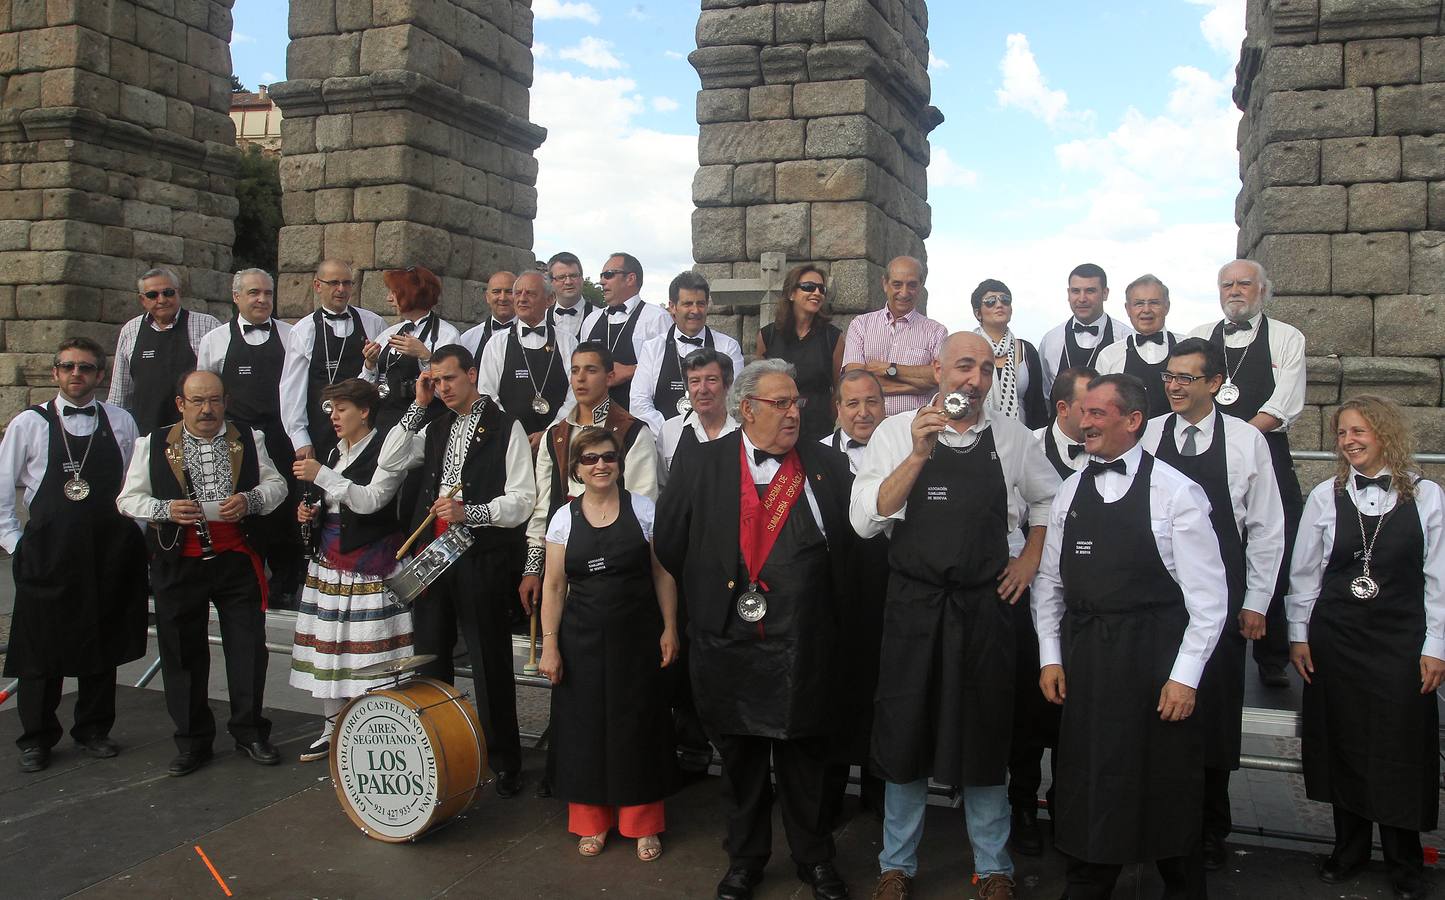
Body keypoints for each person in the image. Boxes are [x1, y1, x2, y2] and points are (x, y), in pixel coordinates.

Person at [850, 332, 1058, 900]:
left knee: (985, 733)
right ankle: (897, 863)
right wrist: (919, 453)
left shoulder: (1012, 438)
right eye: (965, 366)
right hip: (915, 607)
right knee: (906, 733)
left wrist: (1030, 558)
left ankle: (994, 867)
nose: (975, 379)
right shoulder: (896, 432)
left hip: (984, 607)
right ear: (937, 370)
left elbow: (1049, 502)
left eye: (986, 369)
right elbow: (866, 520)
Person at [656, 359, 855, 900]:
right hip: (729, 641)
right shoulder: (701, 463)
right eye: (780, 404)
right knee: (740, 762)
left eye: (797, 402)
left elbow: (850, 547)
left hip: (803, 644)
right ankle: (744, 860)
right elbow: (671, 542)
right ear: (747, 410)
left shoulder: (827, 465)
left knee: (804, 762)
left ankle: (814, 859)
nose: (793, 413)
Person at [1032, 373, 1227, 900]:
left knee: (1166, 784)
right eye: (1081, 412)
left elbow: (1208, 601)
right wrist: (1051, 656)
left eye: (1097, 413)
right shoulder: (1069, 490)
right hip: (1089, 661)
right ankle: (1088, 884)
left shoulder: (1177, 493)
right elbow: (1049, 582)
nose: (1084, 421)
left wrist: (1184, 679)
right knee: (1089, 780)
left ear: (1132, 421)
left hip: (1154, 662)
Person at [1287, 395, 1443, 900]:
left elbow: (1439, 579)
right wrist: (1298, 635)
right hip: (1338, 638)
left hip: (1401, 640)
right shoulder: (1324, 497)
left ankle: (1404, 859)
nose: (1349, 441)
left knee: (1401, 746)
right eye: (1342, 433)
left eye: (1359, 431)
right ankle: (1348, 849)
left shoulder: (1427, 497)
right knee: (1343, 742)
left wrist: (1436, 645)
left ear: (1385, 433)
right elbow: (1305, 574)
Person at [1142, 338, 1284, 870]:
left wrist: (1258, 601)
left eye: (1186, 378)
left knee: (1215, 711)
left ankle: (1210, 828)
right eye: (1169, 377)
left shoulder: (1247, 441)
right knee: (1158, 706)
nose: (1174, 386)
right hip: (1158, 598)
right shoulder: (1151, 433)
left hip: (1222, 600)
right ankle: (1158, 818)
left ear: (1215, 383)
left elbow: (1266, 528)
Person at [377, 344, 536, 798]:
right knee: (430, 656)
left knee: (489, 659)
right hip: (432, 554)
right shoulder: (434, 423)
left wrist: (473, 512)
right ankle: (440, 752)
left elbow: (523, 499)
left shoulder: (506, 426)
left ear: (471, 374)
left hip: (481, 555)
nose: (443, 388)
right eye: (435, 380)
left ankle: (504, 760)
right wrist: (417, 405)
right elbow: (388, 462)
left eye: (449, 379)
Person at [116, 370, 289, 777]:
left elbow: (277, 485)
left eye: (214, 400)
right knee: (181, 651)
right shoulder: (153, 443)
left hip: (235, 557)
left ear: (225, 401)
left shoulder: (249, 437)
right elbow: (128, 499)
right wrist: (165, 510)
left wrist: (251, 499)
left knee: (247, 649)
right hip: (179, 559)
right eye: (197, 401)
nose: (207, 409)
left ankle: (249, 731)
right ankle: (192, 739)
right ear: (181, 404)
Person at [0, 338, 148, 773]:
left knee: (100, 642)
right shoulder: (28, 423)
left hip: (107, 552)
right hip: (48, 552)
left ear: (100, 375)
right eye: (68, 367)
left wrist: (132, 535)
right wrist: (15, 542)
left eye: (86, 367)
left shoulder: (120, 421)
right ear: (56, 374)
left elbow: (134, 484)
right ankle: (36, 738)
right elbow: (3, 489)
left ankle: (94, 730)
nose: (76, 374)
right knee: (39, 648)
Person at [538, 427, 680, 862]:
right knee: (584, 732)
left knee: (637, 728)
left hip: (637, 638)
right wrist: (550, 645)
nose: (601, 465)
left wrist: (670, 627)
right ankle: (592, 823)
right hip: (580, 643)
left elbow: (663, 574)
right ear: (577, 469)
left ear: (619, 462)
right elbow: (554, 586)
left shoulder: (644, 510)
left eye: (608, 457)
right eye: (590, 459)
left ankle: (642, 824)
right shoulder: (564, 518)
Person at [1189, 259, 1306, 689]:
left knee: (1275, 541)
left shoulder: (1287, 337)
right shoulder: (1200, 336)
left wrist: (1237, 438)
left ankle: (1273, 655)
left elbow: (1284, 404)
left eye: (1244, 284)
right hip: (1204, 454)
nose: (1234, 290)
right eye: (1227, 284)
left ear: (1262, 290)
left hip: (1265, 452)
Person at [289, 379, 411, 762]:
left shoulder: (384, 446)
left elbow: (371, 500)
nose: (335, 416)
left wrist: (321, 475)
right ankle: (332, 726)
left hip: (369, 563)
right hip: (330, 559)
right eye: (331, 409)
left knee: (366, 648)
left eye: (342, 408)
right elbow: (330, 500)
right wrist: (309, 509)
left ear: (364, 411)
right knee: (330, 644)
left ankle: (374, 727)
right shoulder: (333, 450)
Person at [1007, 366, 1096, 853]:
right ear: (1063, 410)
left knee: (1074, 712)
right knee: (1026, 712)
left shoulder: (1108, 453)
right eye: (1089, 407)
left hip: (1083, 606)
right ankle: (1020, 805)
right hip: (1028, 597)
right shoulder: (1024, 445)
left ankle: (1068, 808)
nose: (1098, 417)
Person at [198, 268, 304, 609]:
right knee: (242, 507)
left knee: (286, 508)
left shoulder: (292, 335)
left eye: (267, 294)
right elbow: (206, 391)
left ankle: (287, 583)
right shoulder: (214, 340)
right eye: (254, 293)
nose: (262, 299)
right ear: (236, 297)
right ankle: (243, 578)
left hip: (283, 434)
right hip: (237, 439)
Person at [819, 370, 887, 822]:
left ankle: (883, 798)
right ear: (837, 409)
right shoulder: (814, 455)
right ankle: (827, 798)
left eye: (872, 402)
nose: (863, 412)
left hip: (889, 588)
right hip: (833, 594)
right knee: (833, 697)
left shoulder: (906, 449)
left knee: (885, 694)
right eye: (853, 404)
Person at [280, 259, 387, 463]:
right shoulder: (303, 330)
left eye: (347, 283)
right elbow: (291, 390)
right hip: (321, 425)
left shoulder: (374, 323)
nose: (341, 289)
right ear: (318, 285)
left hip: (365, 425)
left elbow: (381, 377)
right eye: (334, 283)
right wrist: (299, 438)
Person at [630, 271, 745, 435]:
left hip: (715, 441)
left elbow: (735, 399)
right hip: (664, 446)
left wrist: (706, 435)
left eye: (701, 304)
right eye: (688, 304)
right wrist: (670, 434)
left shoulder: (728, 347)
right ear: (672, 307)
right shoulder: (652, 348)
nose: (695, 310)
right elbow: (639, 403)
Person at [109, 267, 222, 434]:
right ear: (142, 299)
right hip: (145, 434)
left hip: (196, 432)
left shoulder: (207, 325)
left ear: (178, 292)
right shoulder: (130, 330)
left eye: (168, 292)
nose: (161, 300)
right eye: (152, 295)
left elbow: (223, 381)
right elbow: (120, 392)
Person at [477, 271, 577, 445]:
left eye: (530, 293)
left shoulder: (567, 341)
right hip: (508, 441)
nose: (521, 299)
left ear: (550, 300)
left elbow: (576, 393)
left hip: (558, 440)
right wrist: (514, 434)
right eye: (518, 293)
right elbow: (487, 396)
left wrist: (549, 433)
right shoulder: (496, 344)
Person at [842, 256, 946, 417]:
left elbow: (940, 377)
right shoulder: (860, 325)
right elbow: (854, 381)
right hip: (869, 425)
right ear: (885, 284)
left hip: (914, 427)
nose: (904, 293)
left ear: (921, 285)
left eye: (911, 285)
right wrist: (919, 384)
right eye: (897, 284)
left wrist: (889, 369)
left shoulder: (936, 331)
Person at [363, 265, 461, 434]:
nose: (389, 299)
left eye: (393, 292)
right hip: (383, 424)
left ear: (409, 294)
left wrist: (425, 357)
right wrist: (370, 364)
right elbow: (364, 387)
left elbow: (452, 391)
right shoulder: (389, 332)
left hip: (424, 428)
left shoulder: (447, 335)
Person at [758, 264, 845, 443]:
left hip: (817, 429)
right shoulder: (767, 336)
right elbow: (757, 385)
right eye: (808, 287)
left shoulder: (833, 338)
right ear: (791, 293)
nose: (817, 292)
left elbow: (839, 389)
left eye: (822, 289)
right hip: (776, 426)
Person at [579, 252, 671, 409]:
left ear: (630, 278)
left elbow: (669, 367)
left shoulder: (656, 318)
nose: (601, 281)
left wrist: (630, 370)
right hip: (594, 419)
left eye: (608, 275)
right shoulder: (591, 320)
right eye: (602, 276)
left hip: (639, 419)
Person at [1038, 263, 1133, 399]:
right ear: (1068, 293)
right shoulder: (1051, 340)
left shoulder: (1126, 338)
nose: (1082, 299)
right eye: (1076, 291)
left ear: (1105, 293)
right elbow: (1045, 394)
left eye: (1090, 291)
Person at [1096, 274, 1181, 419]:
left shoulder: (1187, 348)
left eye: (1154, 303)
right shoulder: (1109, 356)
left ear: (1167, 307)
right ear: (1128, 309)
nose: (1146, 310)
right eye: (1139, 303)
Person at [970, 279, 1047, 429]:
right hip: (977, 436)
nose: (999, 305)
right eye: (990, 301)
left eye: (1005, 300)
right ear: (977, 313)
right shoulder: (967, 348)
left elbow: (1038, 404)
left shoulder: (1026, 350)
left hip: (1022, 436)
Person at [659, 348, 738, 481]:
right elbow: (662, 487)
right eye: (695, 381)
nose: (702, 389)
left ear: (728, 384)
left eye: (711, 380)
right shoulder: (670, 430)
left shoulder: (745, 429)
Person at [459, 270, 519, 360]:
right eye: (496, 292)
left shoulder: (531, 334)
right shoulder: (468, 339)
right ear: (487, 297)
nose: (502, 298)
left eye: (509, 292)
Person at [545, 251, 595, 341]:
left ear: (582, 279)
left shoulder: (599, 317)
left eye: (573, 276)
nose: (568, 282)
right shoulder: (542, 318)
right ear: (551, 282)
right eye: (561, 277)